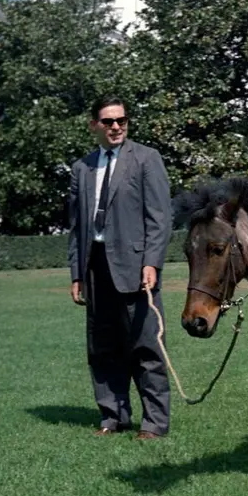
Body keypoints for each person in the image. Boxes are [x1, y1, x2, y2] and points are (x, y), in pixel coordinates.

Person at [68, 97, 172, 439]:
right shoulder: (82, 168)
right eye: (108, 121)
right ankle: (113, 416)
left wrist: (152, 262)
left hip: (136, 267)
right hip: (96, 269)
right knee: (102, 348)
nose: (116, 127)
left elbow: (159, 219)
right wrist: (77, 273)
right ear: (94, 126)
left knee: (145, 347)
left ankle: (154, 423)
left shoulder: (146, 159)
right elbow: (76, 227)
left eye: (122, 120)